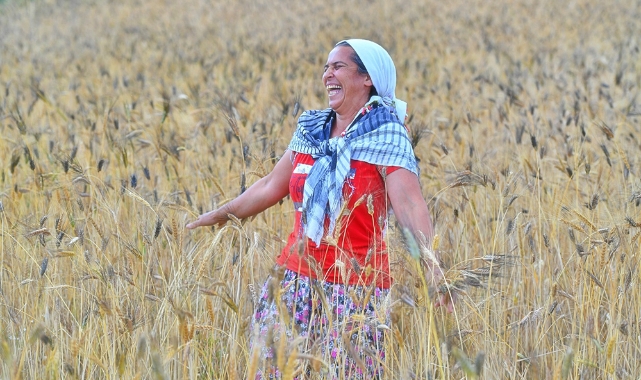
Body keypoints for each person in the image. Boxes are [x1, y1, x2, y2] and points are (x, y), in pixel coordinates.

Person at [187, 39, 455, 379]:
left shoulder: (388, 136)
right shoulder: (311, 130)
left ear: (367, 78)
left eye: (338, 66)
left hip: (357, 295)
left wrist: (433, 272)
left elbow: (411, 207)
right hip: (291, 284)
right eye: (326, 67)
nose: (327, 74)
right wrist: (221, 214)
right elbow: (271, 185)